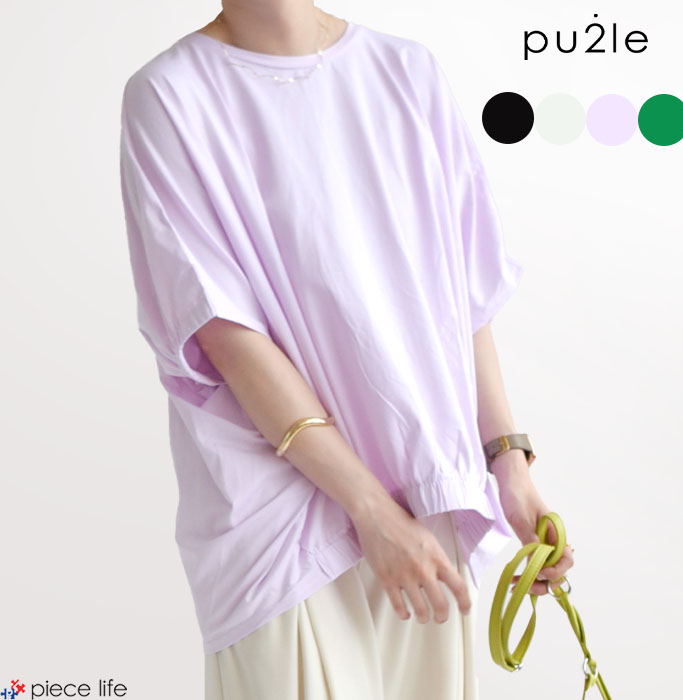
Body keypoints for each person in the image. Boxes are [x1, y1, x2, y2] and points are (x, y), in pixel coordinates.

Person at [119, 2, 574, 698]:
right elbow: (225, 333)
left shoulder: (406, 71)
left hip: (425, 490)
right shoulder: (169, 95)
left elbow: (461, 291)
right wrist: (370, 511)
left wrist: (506, 465)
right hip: (283, 519)